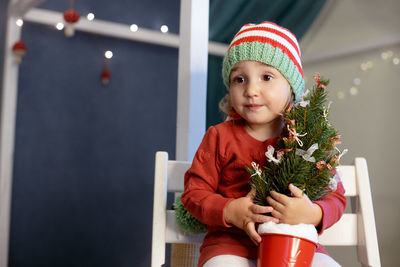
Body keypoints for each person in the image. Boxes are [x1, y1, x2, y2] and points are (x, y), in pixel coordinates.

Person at [181, 21, 347, 267]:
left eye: (267, 77)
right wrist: (230, 210)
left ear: (291, 88)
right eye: (239, 79)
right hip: (230, 246)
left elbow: (336, 196)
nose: (251, 90)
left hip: (295, 244)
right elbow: (194, 195)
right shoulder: (219, 136)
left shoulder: (308, 140)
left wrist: (313, 213)